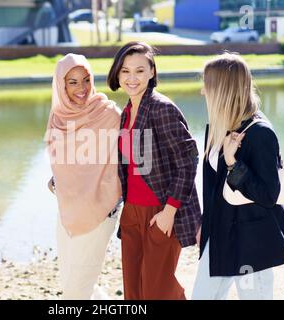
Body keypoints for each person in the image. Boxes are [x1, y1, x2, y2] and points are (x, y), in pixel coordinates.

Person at [192, 52, 284, 300]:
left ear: (224, 89)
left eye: (207, 85)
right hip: (219, 234)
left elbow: (268, 195)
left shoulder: (260, 133)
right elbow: (212, 186)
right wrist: (205, 222)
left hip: (251, 239)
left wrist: (234, 163)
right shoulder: (217, 126)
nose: (203, 91)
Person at [107, 41, 201, 300]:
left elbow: (188, 161)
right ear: (117, 74)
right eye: (125, 71)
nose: (131, 78)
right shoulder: (125, 113)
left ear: (152, 72)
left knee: (157, 290)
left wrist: (169, 212)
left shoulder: (163, 108)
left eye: (139, 70)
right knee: (134, 293)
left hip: (161, 211)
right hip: (132, 214)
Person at [45, 53, 122, 299]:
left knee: (76, 292)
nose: (82, 88)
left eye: (86, 79)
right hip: (67, 212)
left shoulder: (108, 113)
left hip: (100, 212)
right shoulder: (57, 117)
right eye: (73, 82)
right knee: (72, 284)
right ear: (61, 85)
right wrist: (58, 178)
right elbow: (63, 160)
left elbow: (133, 160)